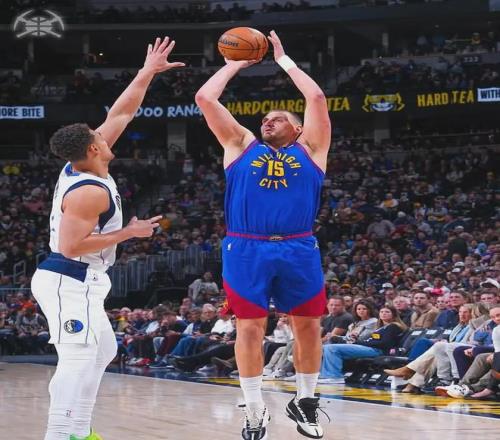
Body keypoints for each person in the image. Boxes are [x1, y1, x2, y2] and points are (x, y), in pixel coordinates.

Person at [30, 37, 184, 440]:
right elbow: (70, 247)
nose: (104, 133)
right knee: (78, 356)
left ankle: (80, 430)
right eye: (97, 135)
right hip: (68, 277)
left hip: (84, 278)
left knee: (103, 350)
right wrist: (128, 232)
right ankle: (59, 434)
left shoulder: (86, 162)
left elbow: (123, 111)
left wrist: (147, 72)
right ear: (94, 148)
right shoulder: (88, 192)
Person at [195, 30, 331, 440]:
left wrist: (284, 60)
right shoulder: (240, 144)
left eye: (277, 118)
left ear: (297, 128)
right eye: (264, 119)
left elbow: (316, 98)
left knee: (308, 326)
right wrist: (235, 64)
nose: (267, 121)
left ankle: (305, 400)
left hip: (299, 246)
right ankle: (254, 408)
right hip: (246, 247)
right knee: (250, 328)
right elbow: (205, 98)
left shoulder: (312, 149)